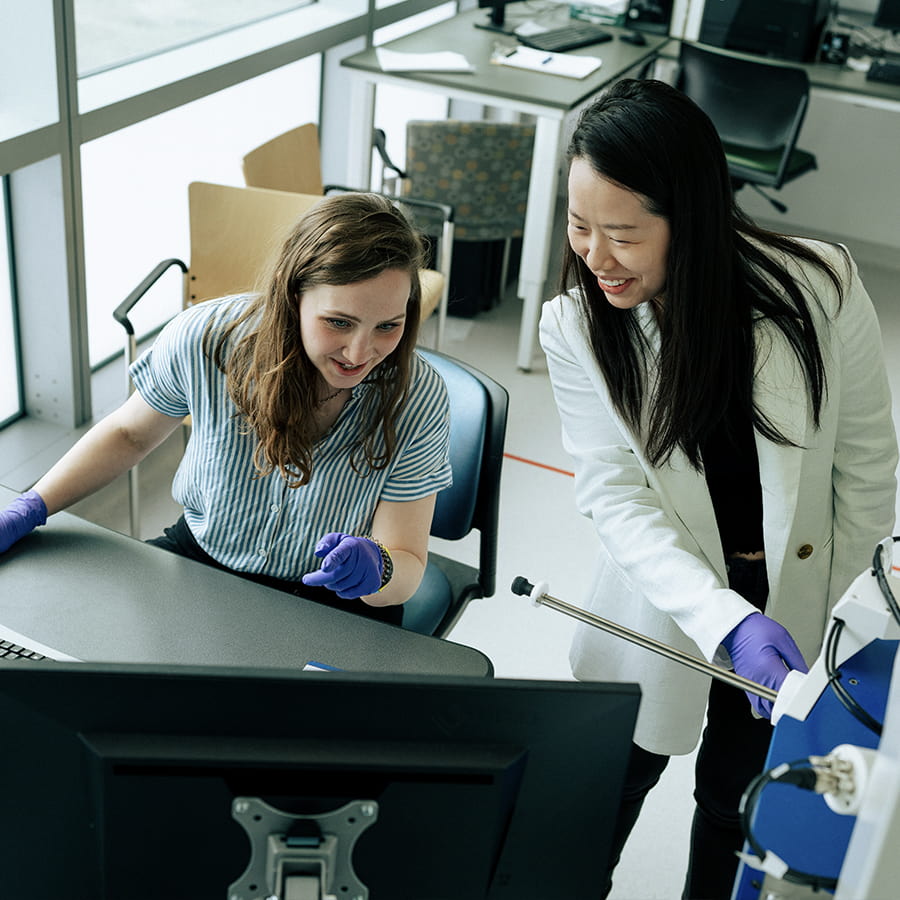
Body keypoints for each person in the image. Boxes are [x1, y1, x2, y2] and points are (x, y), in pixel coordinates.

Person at [539, 78, 898, 900]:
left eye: (623, 234)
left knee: (737, 808)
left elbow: (867, 468)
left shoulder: (821, 285)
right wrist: (727, 622)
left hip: (792, 614)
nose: (595, 256)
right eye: (579, 225)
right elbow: (617, 497)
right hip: (660, 603)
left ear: (690, 217)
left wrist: (834, 617)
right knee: (601, 795)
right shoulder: (575, 326)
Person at [0, 192, 452, 626]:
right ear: (292, 295)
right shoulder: (208, 338)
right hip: (203, 558)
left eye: (387, 326)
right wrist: (33, 505)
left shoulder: (418, 396)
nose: (359, 351)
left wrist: (378, 570)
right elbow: (129, 435)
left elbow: (407, 561)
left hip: (333, 599)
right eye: (338, 322)